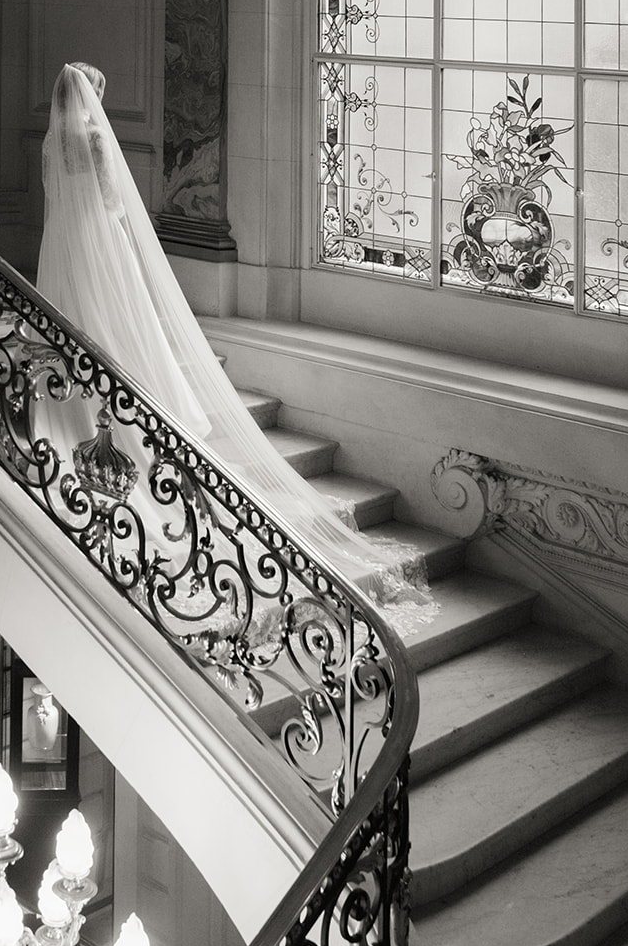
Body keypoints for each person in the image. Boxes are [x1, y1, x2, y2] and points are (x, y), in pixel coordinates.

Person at [37, 61, 434, 627]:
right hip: (101, 248)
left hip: (66, 253)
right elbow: (113, 205)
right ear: (93, 97)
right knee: (120, 329)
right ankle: (124, 419)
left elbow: (58, 202)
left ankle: (84, 414)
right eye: (100, 92)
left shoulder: (53, 144)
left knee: (77, 331)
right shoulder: (99, 138)